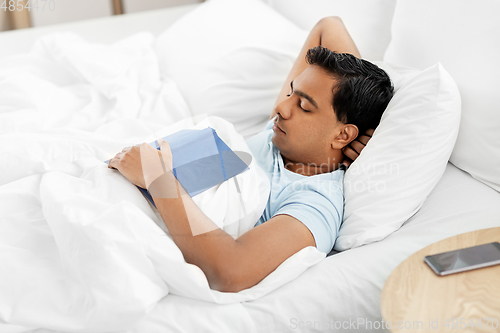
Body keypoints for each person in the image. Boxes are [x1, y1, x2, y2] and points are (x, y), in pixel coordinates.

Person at [107, 16, 394, 293]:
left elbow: (229, 272)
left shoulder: (315, 202)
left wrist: (158, 177)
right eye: (291, 93)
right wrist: (369, 124)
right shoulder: (280, 132)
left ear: (343, 134)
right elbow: (328, 26)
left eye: (305, 106)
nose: (282, 108)